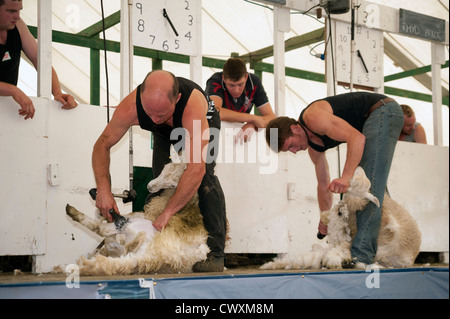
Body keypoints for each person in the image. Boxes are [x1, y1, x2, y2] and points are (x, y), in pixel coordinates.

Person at [92, 70, 227, 272]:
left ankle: (216, 253)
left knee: (206, 178)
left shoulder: (192, 107)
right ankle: (154, 245)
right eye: (149, 113)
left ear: (177, 99)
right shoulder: (132, 107)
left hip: (202, 121)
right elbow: (102, 145)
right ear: (142, 97)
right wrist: (103, 189)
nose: (154, 119)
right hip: (165, 131)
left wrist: (168, 212)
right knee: (159, 183)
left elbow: (196, 170)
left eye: (161, 113)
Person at [265, 92, 404, 267]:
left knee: (365, 190)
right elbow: (324, 185)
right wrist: (325, 218)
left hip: (383, 111)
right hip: (375, 118)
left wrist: (346, 177)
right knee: (371, 185)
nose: (293, 151)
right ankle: (388, 251)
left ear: (295, 129)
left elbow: (356, 138)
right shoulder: (313, 148)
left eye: (290, 145)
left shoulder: (313, 118)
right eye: (289, 151)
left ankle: (360, 258)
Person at [0, 0, 77, 120]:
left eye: (19, 10)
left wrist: (57, 92)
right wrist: (13, 90)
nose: (17, 16)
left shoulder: (18, 25)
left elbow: (40, 62)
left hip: (6, 111)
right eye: (11, 11)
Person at [205, 57, 275, 143]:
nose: (236, 90)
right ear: (223, 79)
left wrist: (252, 124)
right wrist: (252, 119)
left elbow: (271, 118)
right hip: (215, 137)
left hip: (239, 138)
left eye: (240, 84)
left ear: (246, 77)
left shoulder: (254, 82)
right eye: (231, 85)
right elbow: (215, 111)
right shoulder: (215, 81)